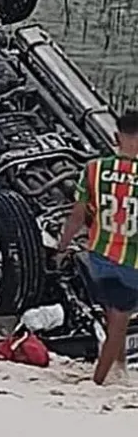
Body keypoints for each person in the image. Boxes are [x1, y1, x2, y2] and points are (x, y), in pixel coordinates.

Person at [57, 109, 138, 385]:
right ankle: (99, 381)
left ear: (117, 137)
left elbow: (78, 215)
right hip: (133, 260)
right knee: (119, 320)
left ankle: (120, 364)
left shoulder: (94, 169)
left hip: (99, 256)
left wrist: (62, 246)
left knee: (113, 314)